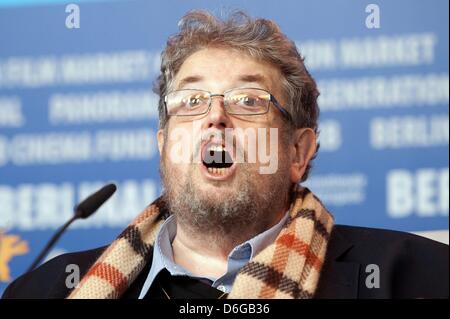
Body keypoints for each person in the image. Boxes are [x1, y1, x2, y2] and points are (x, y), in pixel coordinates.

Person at [2, 10, 448, 299]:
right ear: (164, 147)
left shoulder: (418, 278)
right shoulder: (42, 291)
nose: (214, 117)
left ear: (298, 152)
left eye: (248, 100)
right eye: (191, 101)